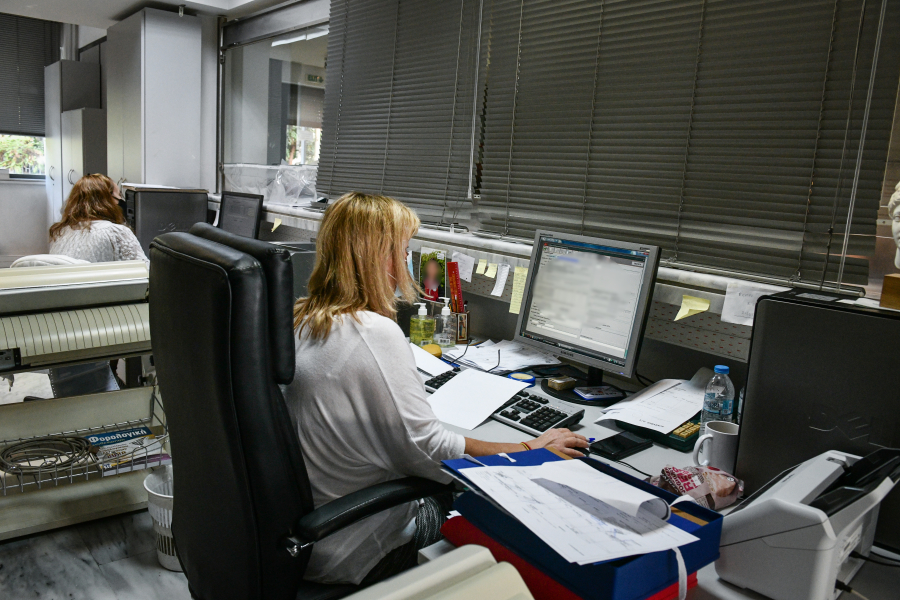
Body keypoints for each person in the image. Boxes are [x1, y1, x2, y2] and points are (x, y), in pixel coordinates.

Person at [284, 192, 588, 586]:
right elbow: (432, 450)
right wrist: (530, 448)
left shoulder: (304, 318)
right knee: (488, 511)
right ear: (377, 256)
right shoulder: (370, 332)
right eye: (402, 249)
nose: (406, 261)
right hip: (356, 547)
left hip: (309, 531)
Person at [48, 174, 149, 266]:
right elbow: (145, 271)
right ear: (108, 201)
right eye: (119, 195)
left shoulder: (60, 232)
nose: (120, 201)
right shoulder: (116, 232)